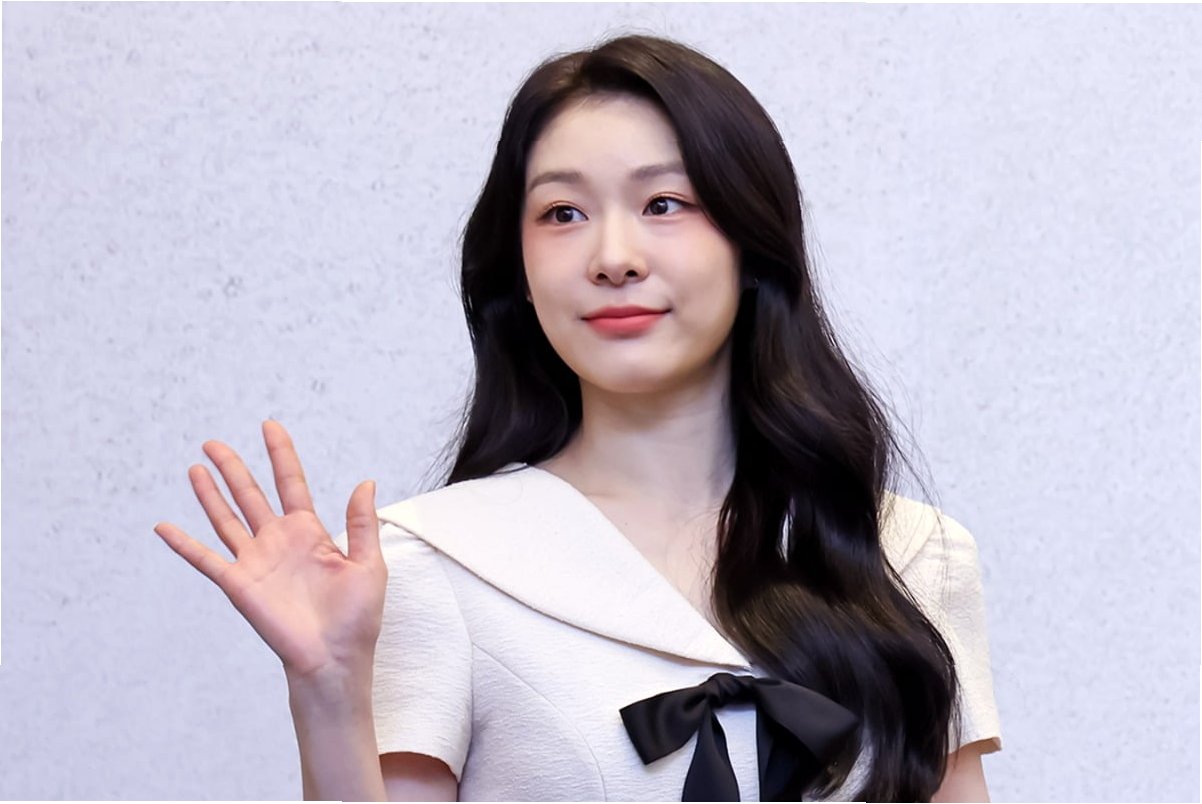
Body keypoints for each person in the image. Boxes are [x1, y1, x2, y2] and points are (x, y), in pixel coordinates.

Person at [154, 33, 1003, 802]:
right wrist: (329, 689)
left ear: (752, 242)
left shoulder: (911, 555)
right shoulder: (434, 564)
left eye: (664, 203)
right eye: (563, 213)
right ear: (519, 270)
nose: (613, 258)